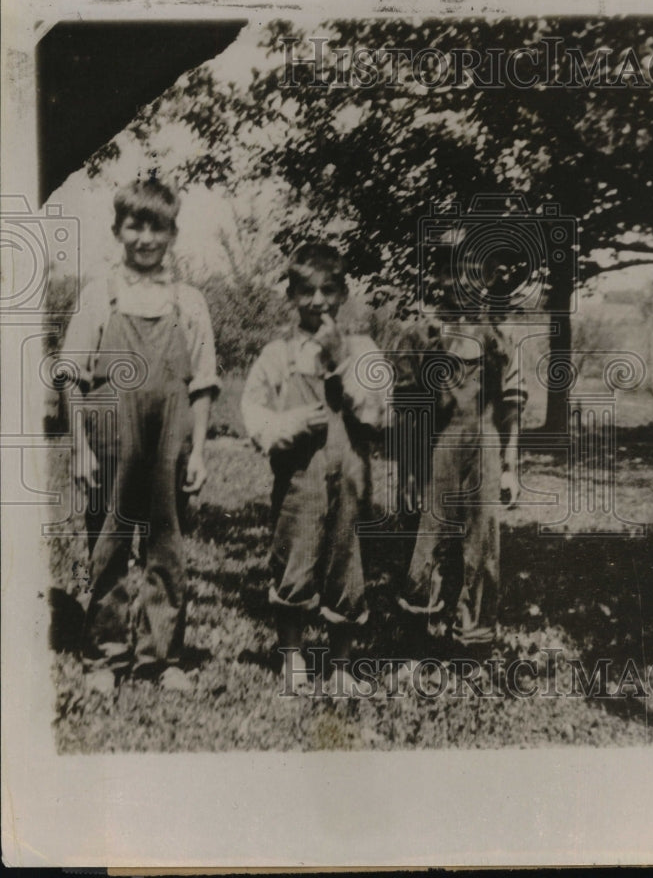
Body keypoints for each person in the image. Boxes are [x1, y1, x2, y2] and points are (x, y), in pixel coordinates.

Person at [61, 176, 220, 695]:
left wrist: (197, 452)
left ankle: (163, 656)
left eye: (158, 227)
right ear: (118, 229)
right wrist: (80, 448)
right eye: (136, 226)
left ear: (173, 232)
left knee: (165, 547)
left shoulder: (188, 302)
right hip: (109, 442)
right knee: (107, 544)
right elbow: (72, 378)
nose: (146, 238)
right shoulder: (99, 296)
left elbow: (203, 383)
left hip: (168, 443)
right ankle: (105, 656)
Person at [241, 242, 386, 696]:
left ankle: (341, 664)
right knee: (294, 561)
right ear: (290, 296)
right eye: (306, 291)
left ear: (343, 293)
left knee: (347, 565)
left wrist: (341, 356)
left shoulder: (362, 349)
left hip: (350, 476)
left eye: (328, 290)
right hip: (300, 478)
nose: (318, 301)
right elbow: (253, 412)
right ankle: (293, 658)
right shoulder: (277, 354)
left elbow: (377, 410)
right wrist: (289, 423)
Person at [392, 243, 525, 657]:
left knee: (481, 543)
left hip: (484, 445)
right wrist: (409, 471)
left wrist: (510, 465)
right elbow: (407, 411)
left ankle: (472, 645)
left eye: (467, 275)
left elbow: (510, 405)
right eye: (447, 274)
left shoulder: (500, 336)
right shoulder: (421, 335)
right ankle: (414, 644)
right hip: (437, 448)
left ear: (484, 280)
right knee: (426, 539)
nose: (455, 285)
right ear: (436, 279)